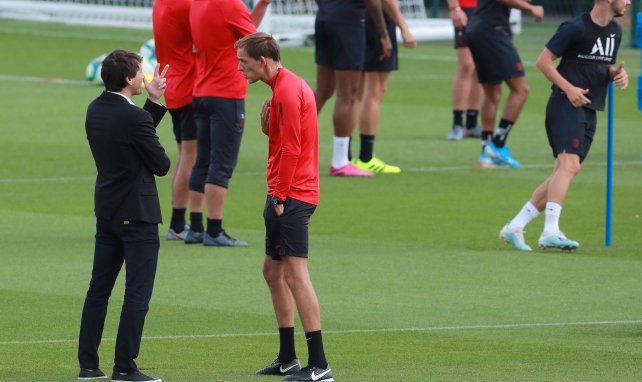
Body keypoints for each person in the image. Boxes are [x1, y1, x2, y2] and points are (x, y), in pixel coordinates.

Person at [236, 32, 334, 382]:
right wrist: (269, 130)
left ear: (263, 60)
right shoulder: (282, 87)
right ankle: (289, 358)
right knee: (272, 272)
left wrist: (277, 196)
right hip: (285, 191)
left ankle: (320, 365)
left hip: (292, 195)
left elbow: (293, 151)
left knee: (295, 275)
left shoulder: (289, 91)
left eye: (244, 62)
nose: (240, 68)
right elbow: (290, 141)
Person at [499, 0, 629, 251]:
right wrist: (568, 88)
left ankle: (515, 226)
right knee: (569, 165)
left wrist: (615, 75)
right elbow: (543, 61)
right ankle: (550, 231)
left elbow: (603, 66)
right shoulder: (575, 27)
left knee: (566, 171)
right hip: (564, 104)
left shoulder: (616, 31)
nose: (629, 2)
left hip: (590, 107)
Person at [78, 49, 169, 382]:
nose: (145, 76)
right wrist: (153, 111)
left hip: (108, 211)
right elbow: (160, 164)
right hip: (139, 214)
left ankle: (88, 366)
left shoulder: (95, 109)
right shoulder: (134, 119)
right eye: (141, 72)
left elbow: (130, 137)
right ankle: (124, 367)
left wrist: (154, 104)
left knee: (98, 290)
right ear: (130, 79)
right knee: (137, 294)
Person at [185, 0, 271, 246]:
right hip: (226, 93)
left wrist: (262, 6)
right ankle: (215, 230)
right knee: (221, 164)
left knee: (202, 161)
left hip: (201, 90)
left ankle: (197, 227)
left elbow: (240, 35)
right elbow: (256, 45)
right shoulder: (231, 4)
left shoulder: (199, 3)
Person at [314, 0, 392, 177]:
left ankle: (284, 146)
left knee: (322, 91)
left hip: (324, 18)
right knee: (348, 95)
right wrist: (383, 34)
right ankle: (340, 161)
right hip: (348, 23)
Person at [465, 0, 544, 167]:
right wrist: (531, 8)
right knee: (521, 90)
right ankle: (498, 144)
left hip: (478, 29)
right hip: (491, 30)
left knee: (492, 92)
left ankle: (486, 152)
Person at [353, 0, 416, 174]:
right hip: (376, 23)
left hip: (356, 19)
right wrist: (404, 28)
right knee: (375, 89)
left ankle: (346, 155)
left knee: (356, 91)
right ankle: (366, 157)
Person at [152, 0, 197, 241]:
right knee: (191, 156)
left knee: (185, 155)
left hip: (174, 84)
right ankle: (178, 225)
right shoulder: (187, 5)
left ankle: (178, 223)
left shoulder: (162, 2)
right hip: (189, 85)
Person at [446, 0, 483, 141]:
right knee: (466, 65)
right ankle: (457, 123)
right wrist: (454, 8)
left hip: (487, 9)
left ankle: (472, 123)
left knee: (480, 66)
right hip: (465, 8)